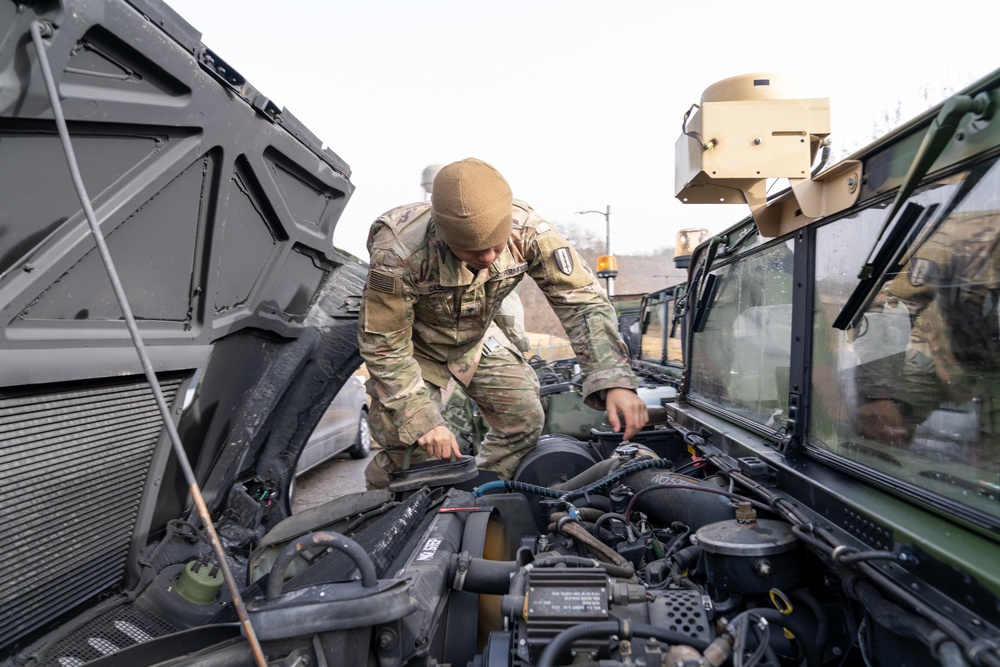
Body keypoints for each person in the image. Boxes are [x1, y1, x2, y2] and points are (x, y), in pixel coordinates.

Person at [358, 157, 648, 488]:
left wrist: (614, 379)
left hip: (478, 340)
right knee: (409, 442)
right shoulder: (398, 252)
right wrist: (422, 420)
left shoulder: (529, 230)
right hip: (416, 347)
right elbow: (384, 345)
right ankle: (386, 497)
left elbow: (582, 301)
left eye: (495, 246)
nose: (487, 258)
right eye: (470, 250)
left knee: (524, 418)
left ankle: (480, 490)